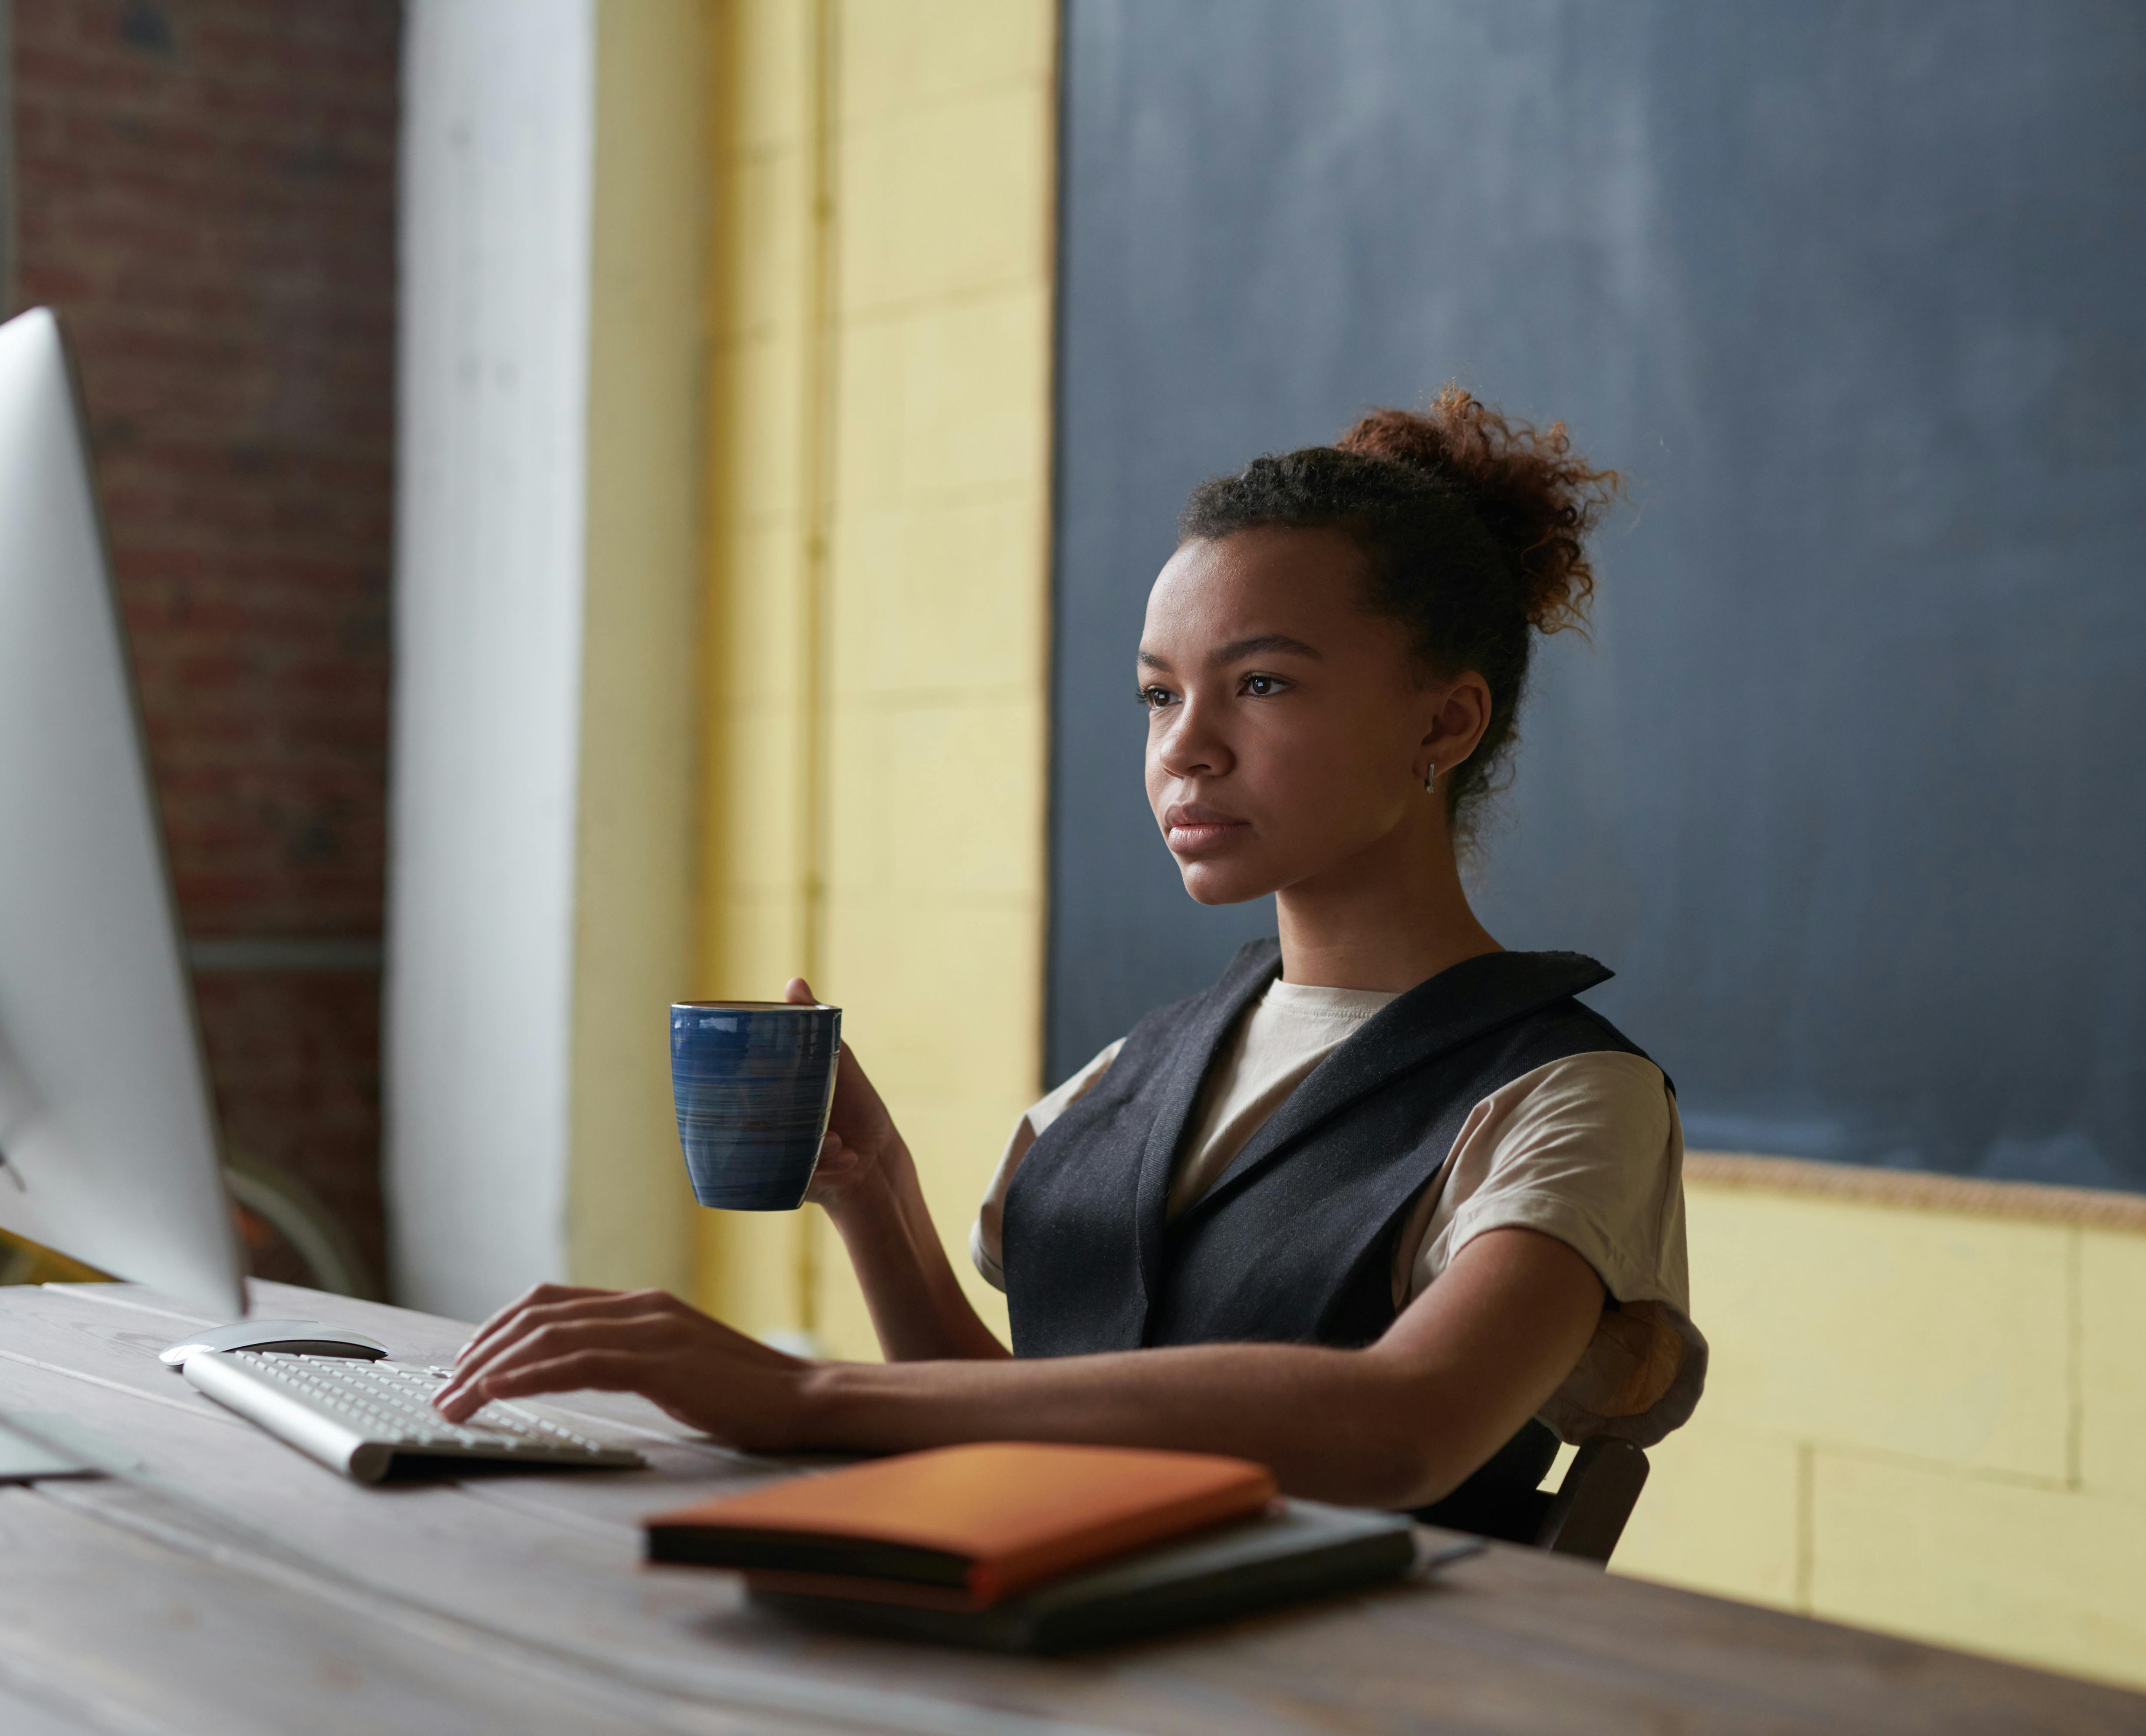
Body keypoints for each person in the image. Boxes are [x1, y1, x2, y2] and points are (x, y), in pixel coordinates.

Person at [438, 389, 1705, 1538]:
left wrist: (801, 1394)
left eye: (1260, 683)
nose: (1186, 750)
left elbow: (1406, 1427)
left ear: (1447, 720)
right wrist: (881, 1204)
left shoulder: (1570, 1095)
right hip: (1051, 1642)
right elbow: (1023, 1418)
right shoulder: (1145, 1062)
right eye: (1160, 696)